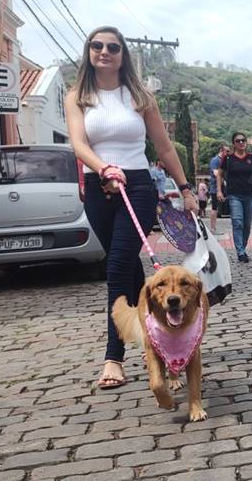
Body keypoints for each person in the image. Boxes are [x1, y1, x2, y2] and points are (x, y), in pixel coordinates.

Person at [64, 26, 198, 389]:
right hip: (99, 186)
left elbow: (165, 148)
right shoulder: (77, 95)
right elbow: (78, 143)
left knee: (118, 263)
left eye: (113, 47)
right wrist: (102, 167)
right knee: (128, 269)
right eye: (97, 45)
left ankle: (113, 356)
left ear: (123, 55)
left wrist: (185, 188)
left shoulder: (140, 97)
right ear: (88, 51)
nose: (104, 51)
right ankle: (156, 337)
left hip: (137, 186)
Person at [217, 132, 252, 263]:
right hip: (234, 195)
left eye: (243, 140)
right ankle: (240, 252)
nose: (241, 142)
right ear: (234, 143)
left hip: (250, 195)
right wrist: (219, 191)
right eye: (238, 140)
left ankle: (243, 248)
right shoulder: (228, 159)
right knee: (237, 222)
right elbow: (219, 174)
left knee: (247, 225)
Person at [209, 145, 228, 231]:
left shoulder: (223, 160)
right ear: (221, 150)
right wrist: (225, 181)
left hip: (222, 187)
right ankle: (213, 228)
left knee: (218, 208)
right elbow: (216, 173)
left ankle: (214, 227)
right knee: (214, 208)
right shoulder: (215, 160)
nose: (228, 153)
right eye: (226, 151)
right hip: (215, 187)